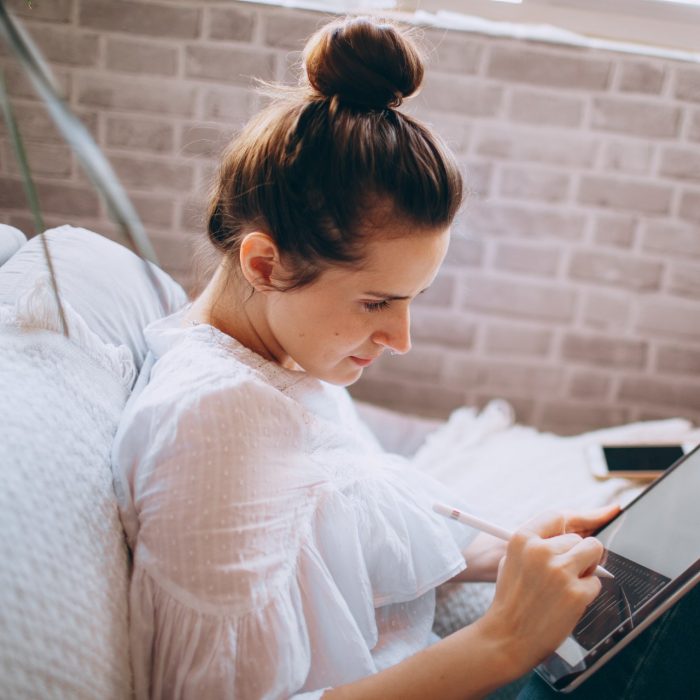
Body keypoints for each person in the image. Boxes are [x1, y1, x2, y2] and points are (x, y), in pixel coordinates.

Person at [111, 15, 699, 700]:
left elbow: (340, 554)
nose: (401, 338)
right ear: (265, 264)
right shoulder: (211, 426)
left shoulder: (281, 367)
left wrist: (505, 555)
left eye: (413, 298)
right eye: (376, 302)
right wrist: (503, 639)